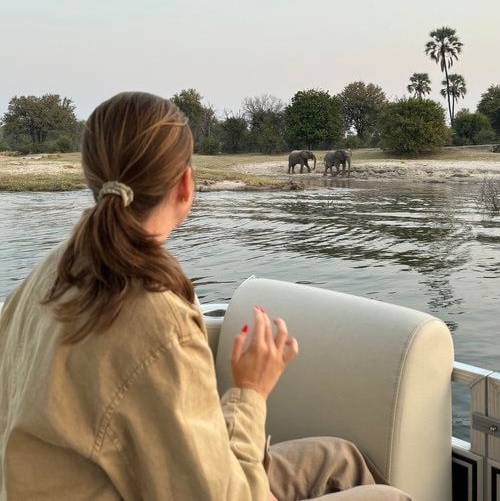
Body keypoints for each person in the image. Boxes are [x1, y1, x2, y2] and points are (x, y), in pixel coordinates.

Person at [0, 92, 412, 500]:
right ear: (185, 184)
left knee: (340, 457)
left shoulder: (47, 275)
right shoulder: (158, 320)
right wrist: (250, 391)